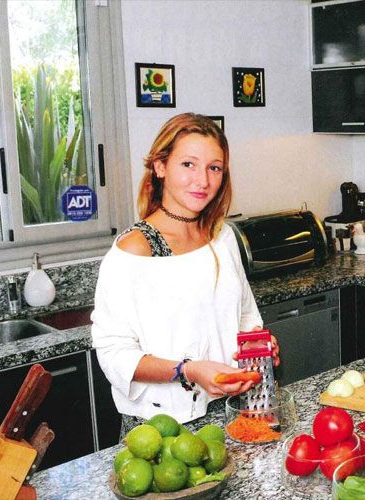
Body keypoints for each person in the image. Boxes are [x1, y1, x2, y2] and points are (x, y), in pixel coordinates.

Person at [91, 113, 277, 434]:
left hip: (232, 410)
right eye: (188, 164)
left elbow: (246, 317)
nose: (203, 180)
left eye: (214, 168)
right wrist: (187, 371)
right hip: (162, 428)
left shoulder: (222, 236)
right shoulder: (136, 249)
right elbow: (114, 353)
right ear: (161, 167)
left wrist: (256, 347)